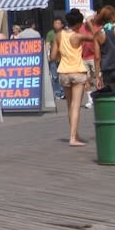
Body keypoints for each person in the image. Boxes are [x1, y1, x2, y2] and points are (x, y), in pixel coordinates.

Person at [50, 9, 90, 147]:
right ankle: (73, 137)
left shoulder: (59, 35)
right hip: (78, 71)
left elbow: (52, 56)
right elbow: (96, 37)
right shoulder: (78, 36)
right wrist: (89, 23)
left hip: (64, 72)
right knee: (76, 106)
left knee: (69, 105)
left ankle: (75, 134)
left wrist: (63, 57)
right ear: (79, 23)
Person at [45, 18, 65, 99]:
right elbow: (47, 45)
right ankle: (57, 93)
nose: (55, 25)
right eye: (54, 23)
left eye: (57, 23)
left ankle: (64, 92)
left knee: (63, 76)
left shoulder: (64, 33)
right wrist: (47, 56)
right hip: (53, 58)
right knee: (55, 76)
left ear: (62, 25)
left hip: (63, 57)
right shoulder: (50, 33)